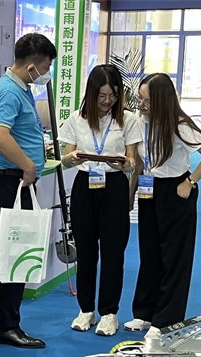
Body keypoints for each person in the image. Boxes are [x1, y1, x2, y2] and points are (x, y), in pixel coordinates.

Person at [0, 33, 57, 349]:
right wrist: (28, 166)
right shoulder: (9, 91)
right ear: (31, 66)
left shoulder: (19, 87)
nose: (46, 73)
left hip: (7, 179)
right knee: (17, 248)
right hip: (11, 180)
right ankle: (8, 325)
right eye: (46, 67)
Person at [125, 73, 201, 348]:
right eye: (139, 99)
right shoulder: (139, 122)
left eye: (147, 101)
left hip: (176, 191)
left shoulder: (180, 125)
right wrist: (131, 194)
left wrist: (190, 182)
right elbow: (139, 164)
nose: (141, 105)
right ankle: (145, 313)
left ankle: (165, 321)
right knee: (149, 253)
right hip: (148, 189)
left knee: (175, 258)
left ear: (162, 100)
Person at [58, 65, 141, 336]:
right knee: (86, 252)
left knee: (113, 252)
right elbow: (66, 158)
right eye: (102, 96)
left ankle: (109, 313)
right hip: (84, 186)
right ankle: (86, 310)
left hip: (114, 185)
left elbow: (132, 160)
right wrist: (71, 158)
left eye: (113, 95)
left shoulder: (128, 119)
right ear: (91, 93)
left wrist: (125, 164)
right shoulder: (76, 119)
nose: (107, 101)